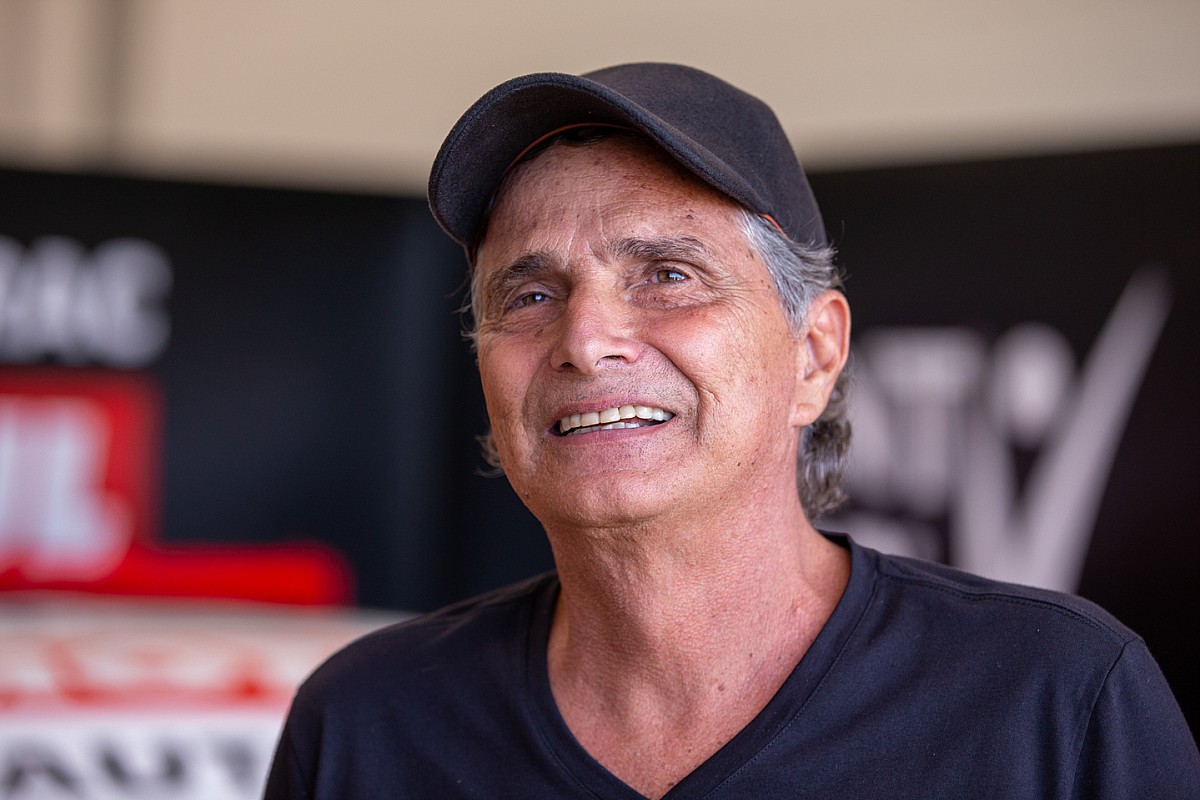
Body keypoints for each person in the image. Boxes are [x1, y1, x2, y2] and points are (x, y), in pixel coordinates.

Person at [264, 63, 1198, 799]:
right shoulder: (366, 724)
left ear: (814, 355)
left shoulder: (1057, 701)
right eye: (533, 294)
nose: (584, 340)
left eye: (668, 275)